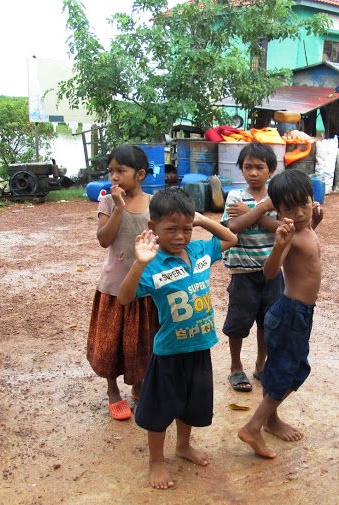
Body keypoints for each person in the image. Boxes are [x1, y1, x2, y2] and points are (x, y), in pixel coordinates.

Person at [117, 187, 237, 489]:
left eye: (186, 229)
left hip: (200, 348)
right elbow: (123, 297)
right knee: (159, 411)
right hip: (169, 353)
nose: (180, 236)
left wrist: (201, 220)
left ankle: (183, 447)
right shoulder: (153, 264)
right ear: (152, 228)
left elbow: (230, 239)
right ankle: (156, 461)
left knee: (190, 405)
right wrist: (139, 262)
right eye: (171, 229)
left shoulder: (198, 253)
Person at [238, 170, 322, 459]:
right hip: (291, 313)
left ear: (313, 199)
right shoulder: (289, 237)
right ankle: (254, 426)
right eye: (289, 209)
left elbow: (309, 237)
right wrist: (278, 245)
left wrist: (315, 220)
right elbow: (270, 272)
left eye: (304, 204)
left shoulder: (307, 227)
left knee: (285, 369)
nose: (299, 213)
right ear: (278, 209)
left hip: (300, 313)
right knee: (288, 371)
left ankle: (271, 420)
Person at [87, 144, 159, 421]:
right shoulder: (106, 202)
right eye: (111, 171)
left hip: (145, 287)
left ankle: (140, 390)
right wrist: (118, 208)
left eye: (121, 171)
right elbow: (104, 239)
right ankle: (112, 391)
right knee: (110, 343)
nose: (114, 176)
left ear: (140, 175)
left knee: (142, 342)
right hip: (114, 286)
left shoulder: (154, 204)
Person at [221, 143, 282, 393]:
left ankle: (261, 364)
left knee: (268, 323)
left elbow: (282, 228)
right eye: (248, 167)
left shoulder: (278, 198)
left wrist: (255, 213)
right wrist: (262, 210)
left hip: (273, 271)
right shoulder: (235, 196)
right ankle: (236, 368)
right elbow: (233, 227)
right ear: (241, 170)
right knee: (238, 323)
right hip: (243, 273)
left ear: (271, 171)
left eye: (259, 167)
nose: (253, 172)